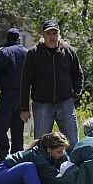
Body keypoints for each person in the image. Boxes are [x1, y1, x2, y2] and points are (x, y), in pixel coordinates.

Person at [20, 20, 84, 150]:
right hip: (42, 105)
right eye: (49, 33)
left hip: (66, 103)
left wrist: (75, 95)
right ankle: (43, 169)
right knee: (41, 144)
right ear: (43, 35)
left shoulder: (68, 50)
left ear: (59, 34)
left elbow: (79, 75)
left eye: (55, 33)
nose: (52, 37)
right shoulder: (33, 53)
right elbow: (25, 82)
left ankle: (74, 169)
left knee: (73, 143)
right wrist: (24, 108)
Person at [0, 28, 28, 170]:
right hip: (23, 95)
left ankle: (3, 155)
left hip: (7, 93)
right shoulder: (26, 52)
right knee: (18, 127)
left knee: (0, 126)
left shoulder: (3, 52)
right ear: (19, 39)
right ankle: (16, 157)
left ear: (7, 38)